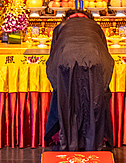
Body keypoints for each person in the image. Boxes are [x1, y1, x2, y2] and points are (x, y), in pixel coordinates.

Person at [45, 9, 115, 151]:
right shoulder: (95, 26)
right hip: (94, 60)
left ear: (67, 17)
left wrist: (57, 84)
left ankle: (70, 142)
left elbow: (53, 53)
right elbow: (104, 50)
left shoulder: (61, 27)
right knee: (94, 100)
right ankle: (94, 143)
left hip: (66, 61)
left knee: (68, 99)